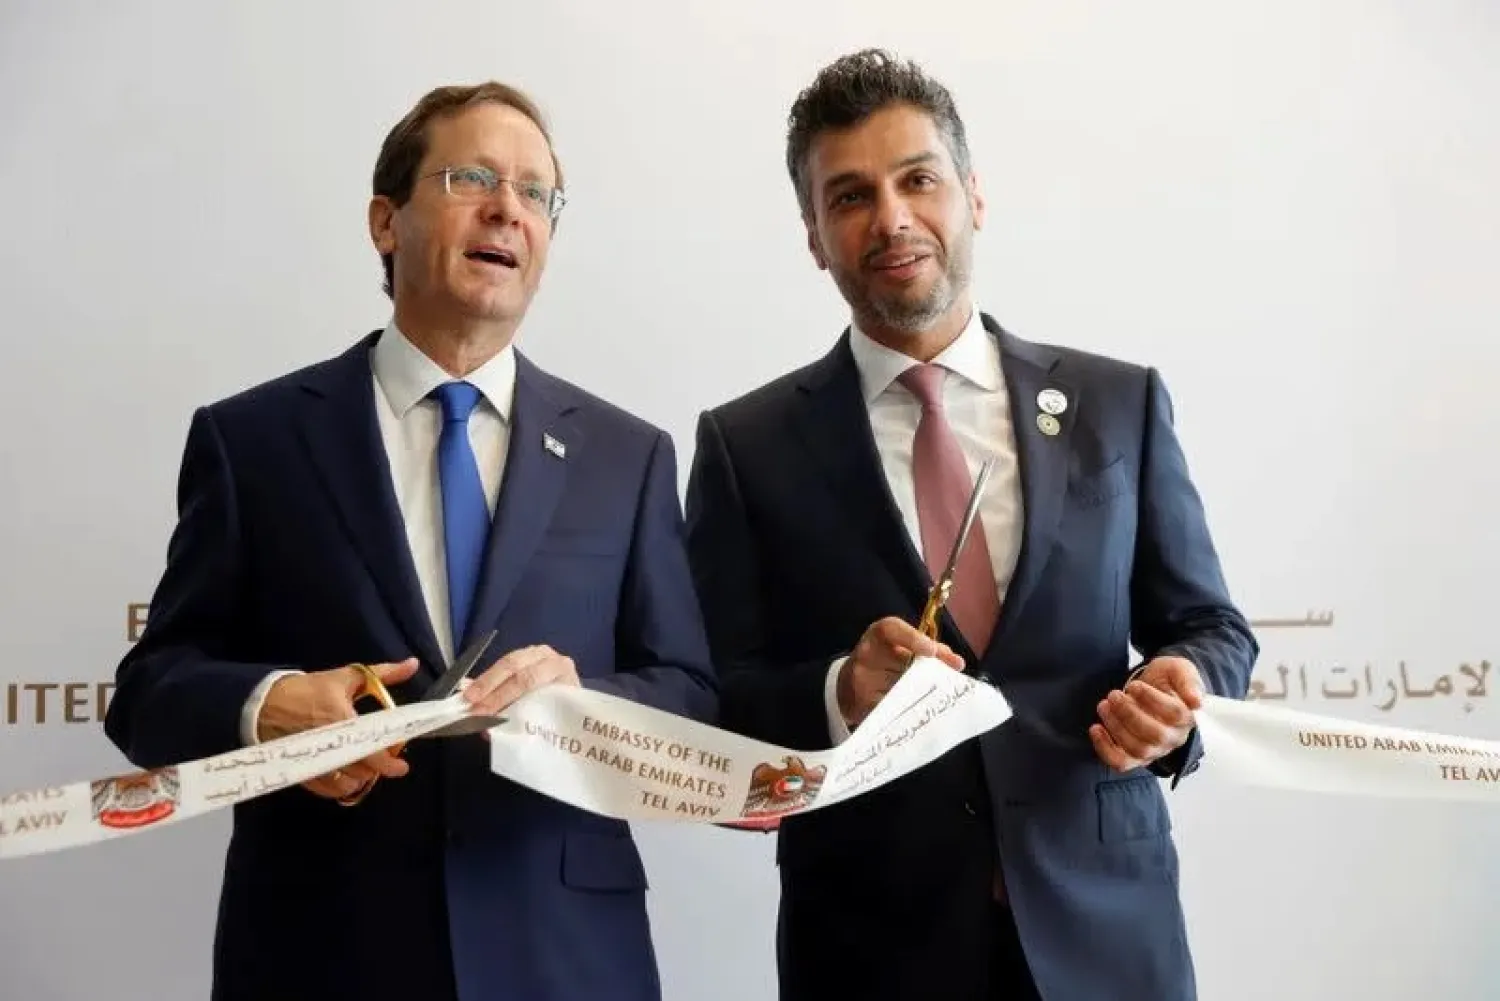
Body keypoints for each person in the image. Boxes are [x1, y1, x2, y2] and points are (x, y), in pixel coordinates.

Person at [104, 81, 717, 1001]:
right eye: (472, 178)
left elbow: (691, 695)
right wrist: (268, 704)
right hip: (322, 954)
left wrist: (582, 702)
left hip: (564, 958)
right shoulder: (254, 440)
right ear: (385, 222)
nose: (508, 208)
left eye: (536, 192)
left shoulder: (627, 456)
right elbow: (148, 692)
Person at [684, 49, 1256, 1001]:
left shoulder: (1119, 405)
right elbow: (711, 701)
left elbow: (1211, 627)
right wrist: (838, 691)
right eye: (851, 196)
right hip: (869, 952)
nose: (891, 218)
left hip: (1109, 938)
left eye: (918, 179)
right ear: (814, 237)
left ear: (973, 194)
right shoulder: (746, 446)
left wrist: (1182, 689)